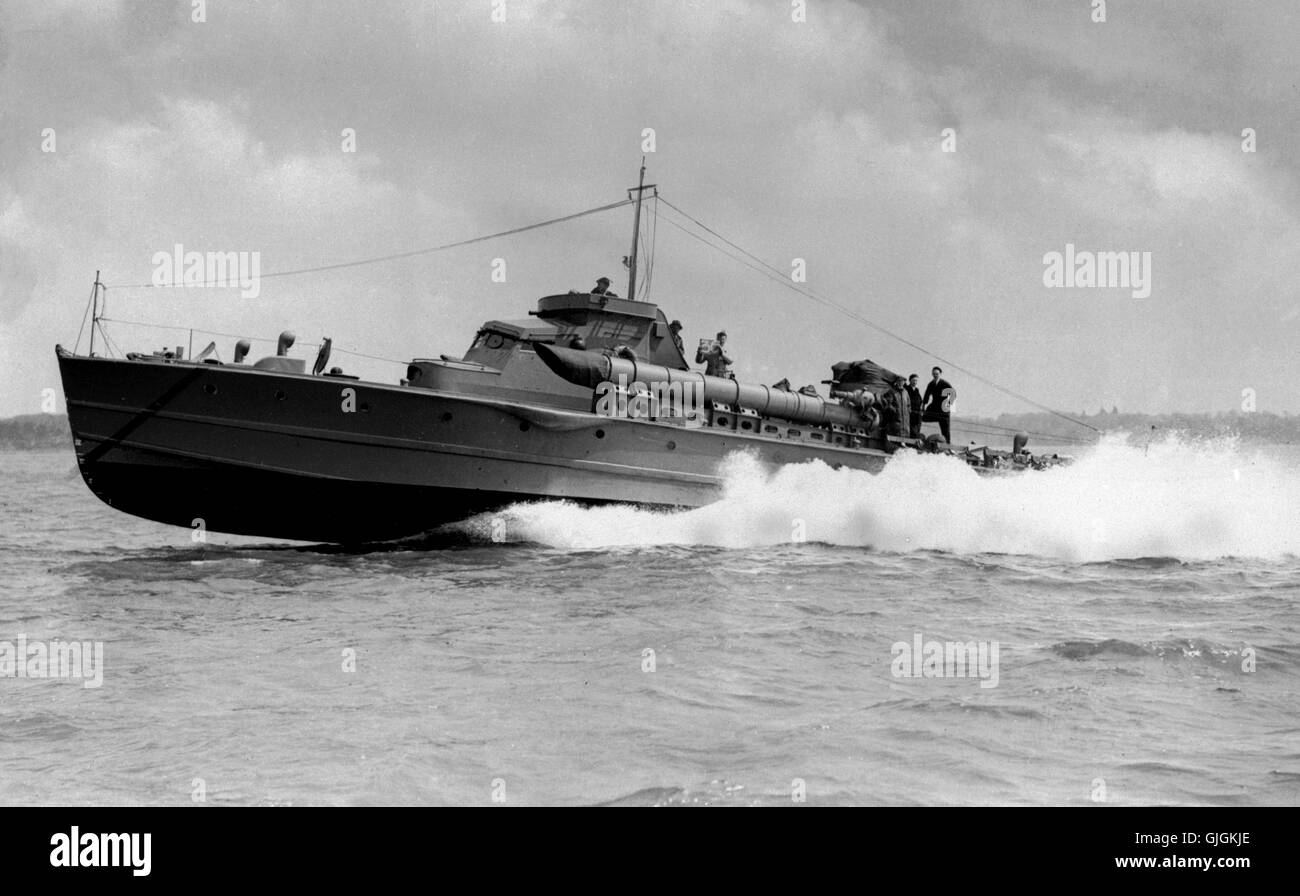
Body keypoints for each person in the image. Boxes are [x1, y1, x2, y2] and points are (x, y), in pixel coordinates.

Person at [922, 366, 955, 443]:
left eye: (937, 374)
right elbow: (926, 395)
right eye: (933, 374)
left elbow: (953, 394)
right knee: (922, 418)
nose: (935, 375)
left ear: (940, 374)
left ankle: (947, 446)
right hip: (934, 408)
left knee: (945, 430)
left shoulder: (945, 384)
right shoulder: (931, 384)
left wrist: (947, 406)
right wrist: (923, 406)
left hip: (943, 410)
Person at [905, 374, 923, 438]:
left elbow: (920, 401)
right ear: (910, 380)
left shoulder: (917, 390)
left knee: (917, 428)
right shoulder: (906, 389)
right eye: (913, 380)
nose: (915, 382)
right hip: (909, 412)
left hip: (917, 413)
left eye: (916, 381)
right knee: (911, 429)